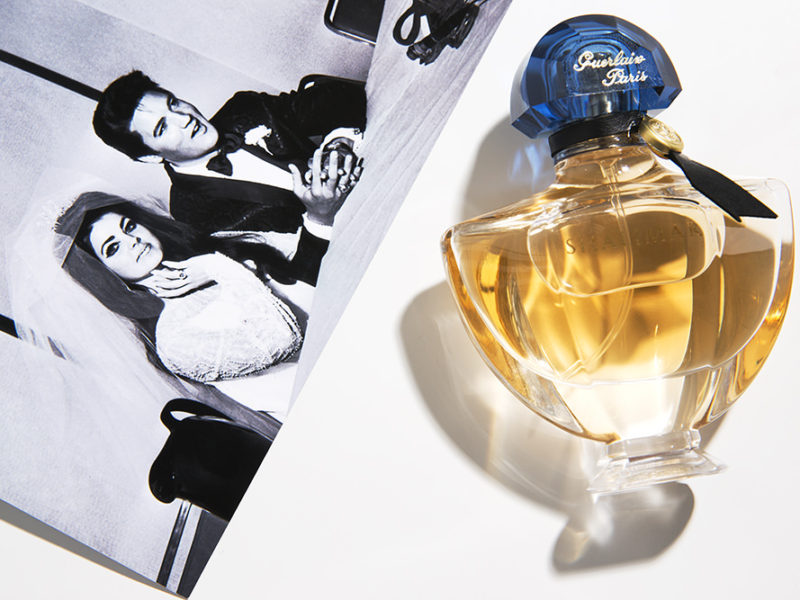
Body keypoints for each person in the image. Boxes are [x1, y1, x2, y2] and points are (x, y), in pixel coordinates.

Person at [92, 71, 368, 287]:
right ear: (151, 157)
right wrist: (319, 217)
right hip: (354, 259)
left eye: (173, 103)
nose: (183, 118)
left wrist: (337, 144)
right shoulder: (190, 214)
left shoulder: (244, 109)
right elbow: (293, 275)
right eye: (163, 127)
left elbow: (345, 96)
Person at [57, 191, 304, 386]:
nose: (133, 241)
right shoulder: (173, 340)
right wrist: (215, 267)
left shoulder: (212, 244)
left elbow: (303, 249)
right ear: (102, 273)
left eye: (129, 227)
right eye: (112, 248)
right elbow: (284, 340)